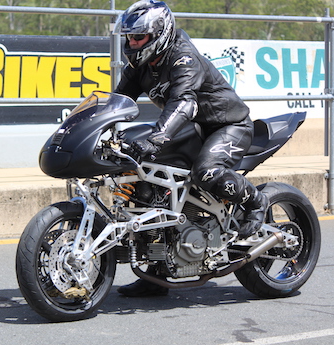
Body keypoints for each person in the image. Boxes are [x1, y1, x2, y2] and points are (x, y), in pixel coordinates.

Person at [113, 0, 269, 297]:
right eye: (129, 38)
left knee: (207, 172)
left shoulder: (183, 58)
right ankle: (156, 271)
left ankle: (255, 202)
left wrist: (155, 138)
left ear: (160, 32)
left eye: (139, 37)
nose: (132, 43)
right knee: (146, 182)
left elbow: (184, 102)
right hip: (191, 128)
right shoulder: (140, 64)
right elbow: (119, 101)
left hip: (226, 126)